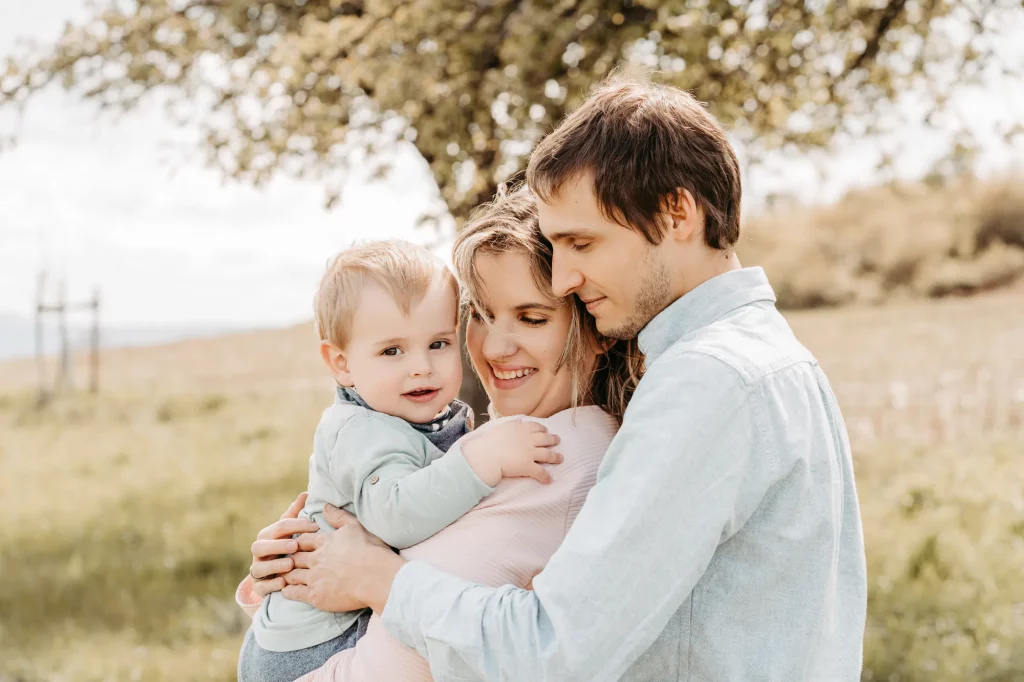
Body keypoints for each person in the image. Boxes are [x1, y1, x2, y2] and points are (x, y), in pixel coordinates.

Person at [260, 73, 869, 682]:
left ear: (676, 212)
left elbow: (553, 650)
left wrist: (374, 577)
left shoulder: (706, 383)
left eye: (584, 243)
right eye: (479, 314)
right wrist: (308, 560)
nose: (565, 278)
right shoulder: (768, 357)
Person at [238, 240, 565, 682]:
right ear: (342, 364)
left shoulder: (407, 416)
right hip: (311, 647)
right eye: (392, 351)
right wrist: (481, 459)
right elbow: (395, 515)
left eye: (438, 343)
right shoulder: (363, 430)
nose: (422, 367)